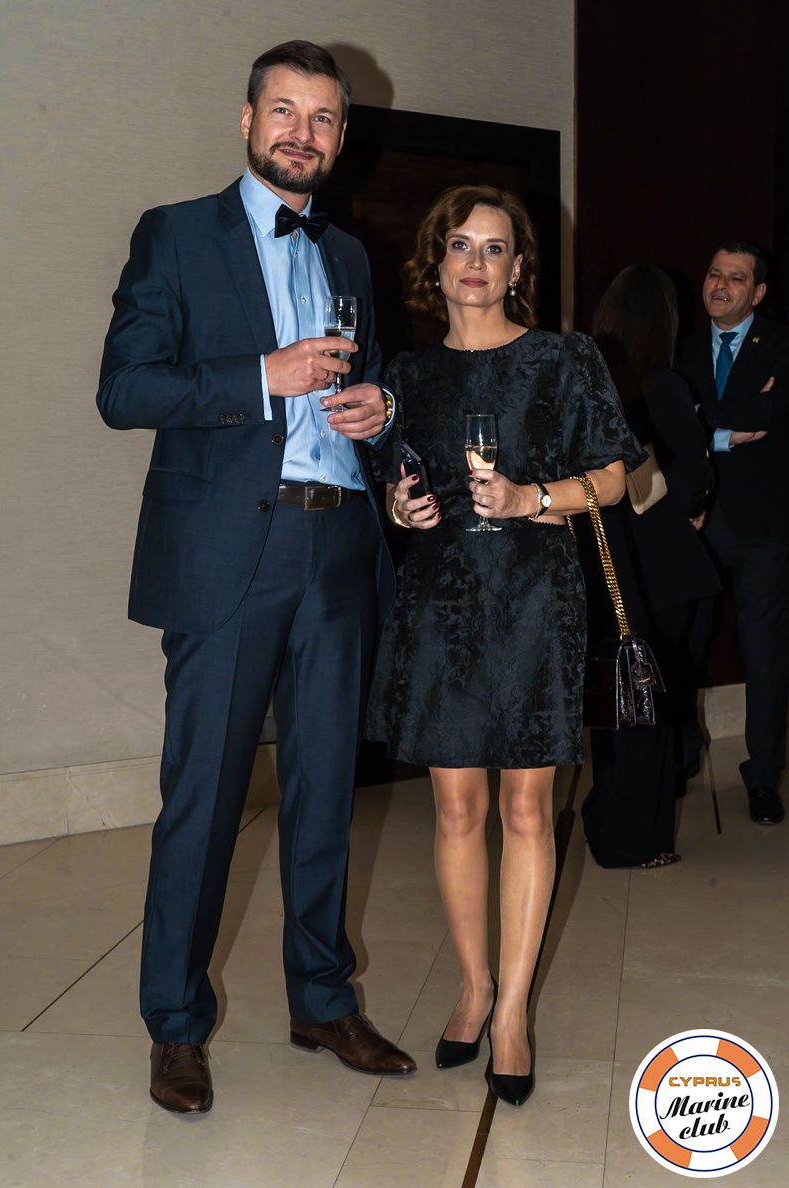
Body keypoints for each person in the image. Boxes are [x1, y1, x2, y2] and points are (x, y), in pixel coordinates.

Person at [97, 40, 416, 1116]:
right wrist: (261, 376)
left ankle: (322, 999)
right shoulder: (176, 234)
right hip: (231, 552)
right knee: (205, 796)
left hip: (338, 547)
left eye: (323, 119)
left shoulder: (351, 256)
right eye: (284, 111)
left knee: (325, 788)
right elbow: (124, 389)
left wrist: (378, 412)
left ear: (340, 137)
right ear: (247, 120)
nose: (302, 134)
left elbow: (367, 387)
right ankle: (175, 1024)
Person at [365, 185, 644, 1106]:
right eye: (461, 245)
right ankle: (473, 987)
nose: (476, 263)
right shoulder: (406, 377)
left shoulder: (563, 360)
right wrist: (402, 508)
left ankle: (515, 1010)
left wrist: (534, 498)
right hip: (442, 603)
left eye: (495, 248)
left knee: (527, 811)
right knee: (455, 812)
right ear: (436, 263)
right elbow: (401, 483)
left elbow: (616, 478)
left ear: (519, 267)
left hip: (534, 600)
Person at [580, 265, 721, 868]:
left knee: (615, 705)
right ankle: (638, 837)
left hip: (604, 567)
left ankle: (607, 818)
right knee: (655, 709)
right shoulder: (664, 387)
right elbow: (692, 478)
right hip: (665, 571)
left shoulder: (587, 385)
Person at [679, 242, 789, 826]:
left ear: (758, 292)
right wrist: (728, 428)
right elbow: (667, 420)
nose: (720, 285)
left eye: (736, 278)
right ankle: (679, 758)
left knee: (765, 658)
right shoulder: (684, 346)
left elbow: (770, 419)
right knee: (682, 649)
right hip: (691, 525)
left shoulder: (783, 345)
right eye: (714, 273)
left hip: (761, 529)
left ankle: (763, 777)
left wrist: (704, 420)